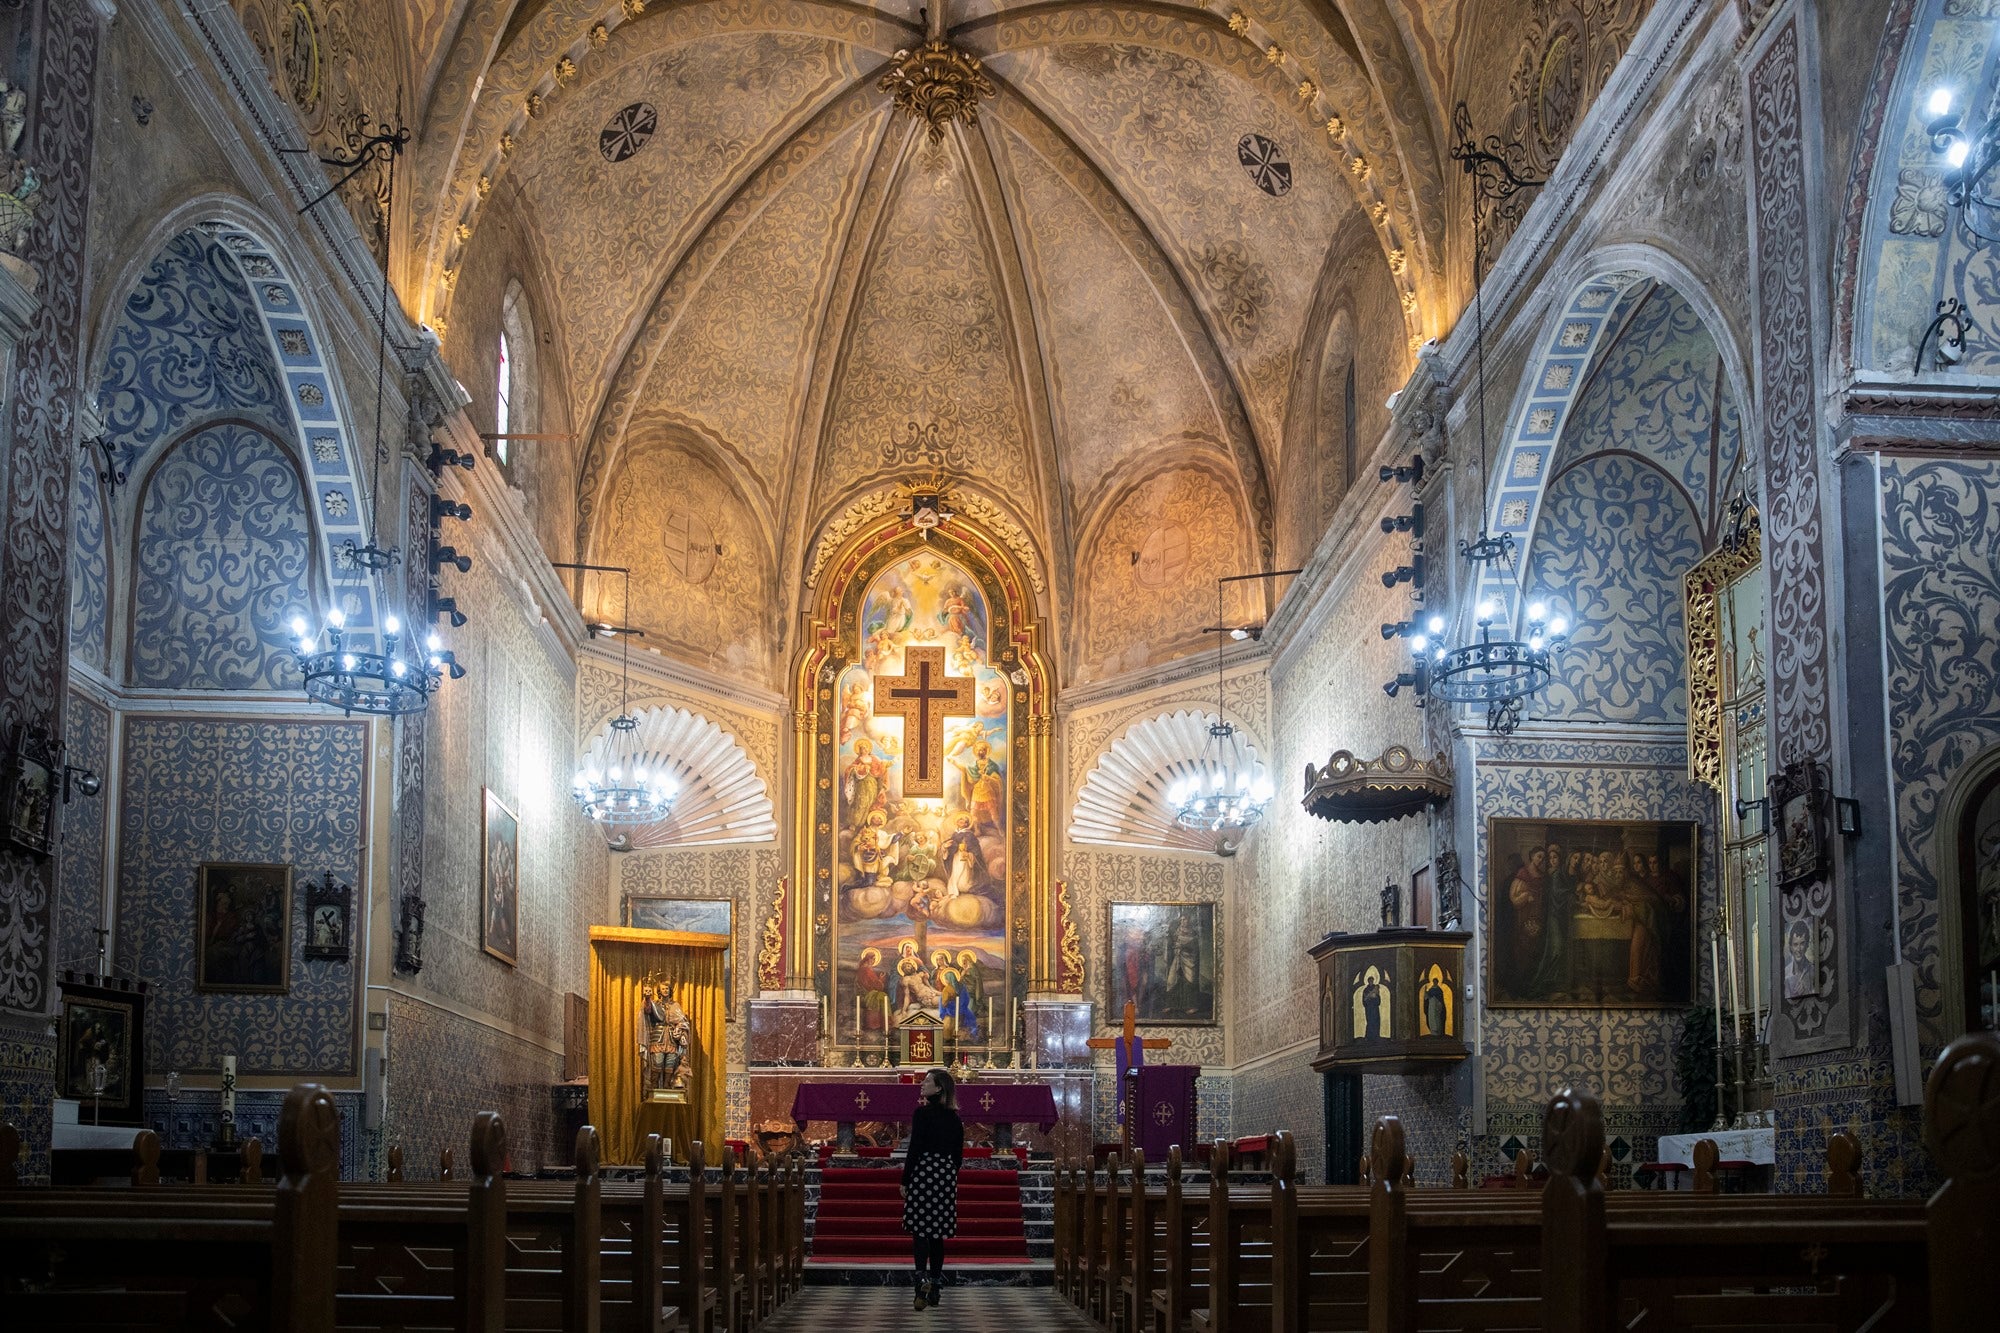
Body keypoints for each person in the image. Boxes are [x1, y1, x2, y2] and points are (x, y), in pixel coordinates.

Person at [900, 1067, 964, 1310]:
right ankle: (936, 1288)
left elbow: (915, 1147)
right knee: (937, 1233)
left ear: (938, 1088)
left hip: (924, 1171)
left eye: (926, 1081)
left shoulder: (922, 1114)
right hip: (945, 1175)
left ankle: (920, 1284)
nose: (921, 1084)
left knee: (919, 1230)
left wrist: (906, 1180)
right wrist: (948, 1174)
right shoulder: (955, 1118)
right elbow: (958, 1154)